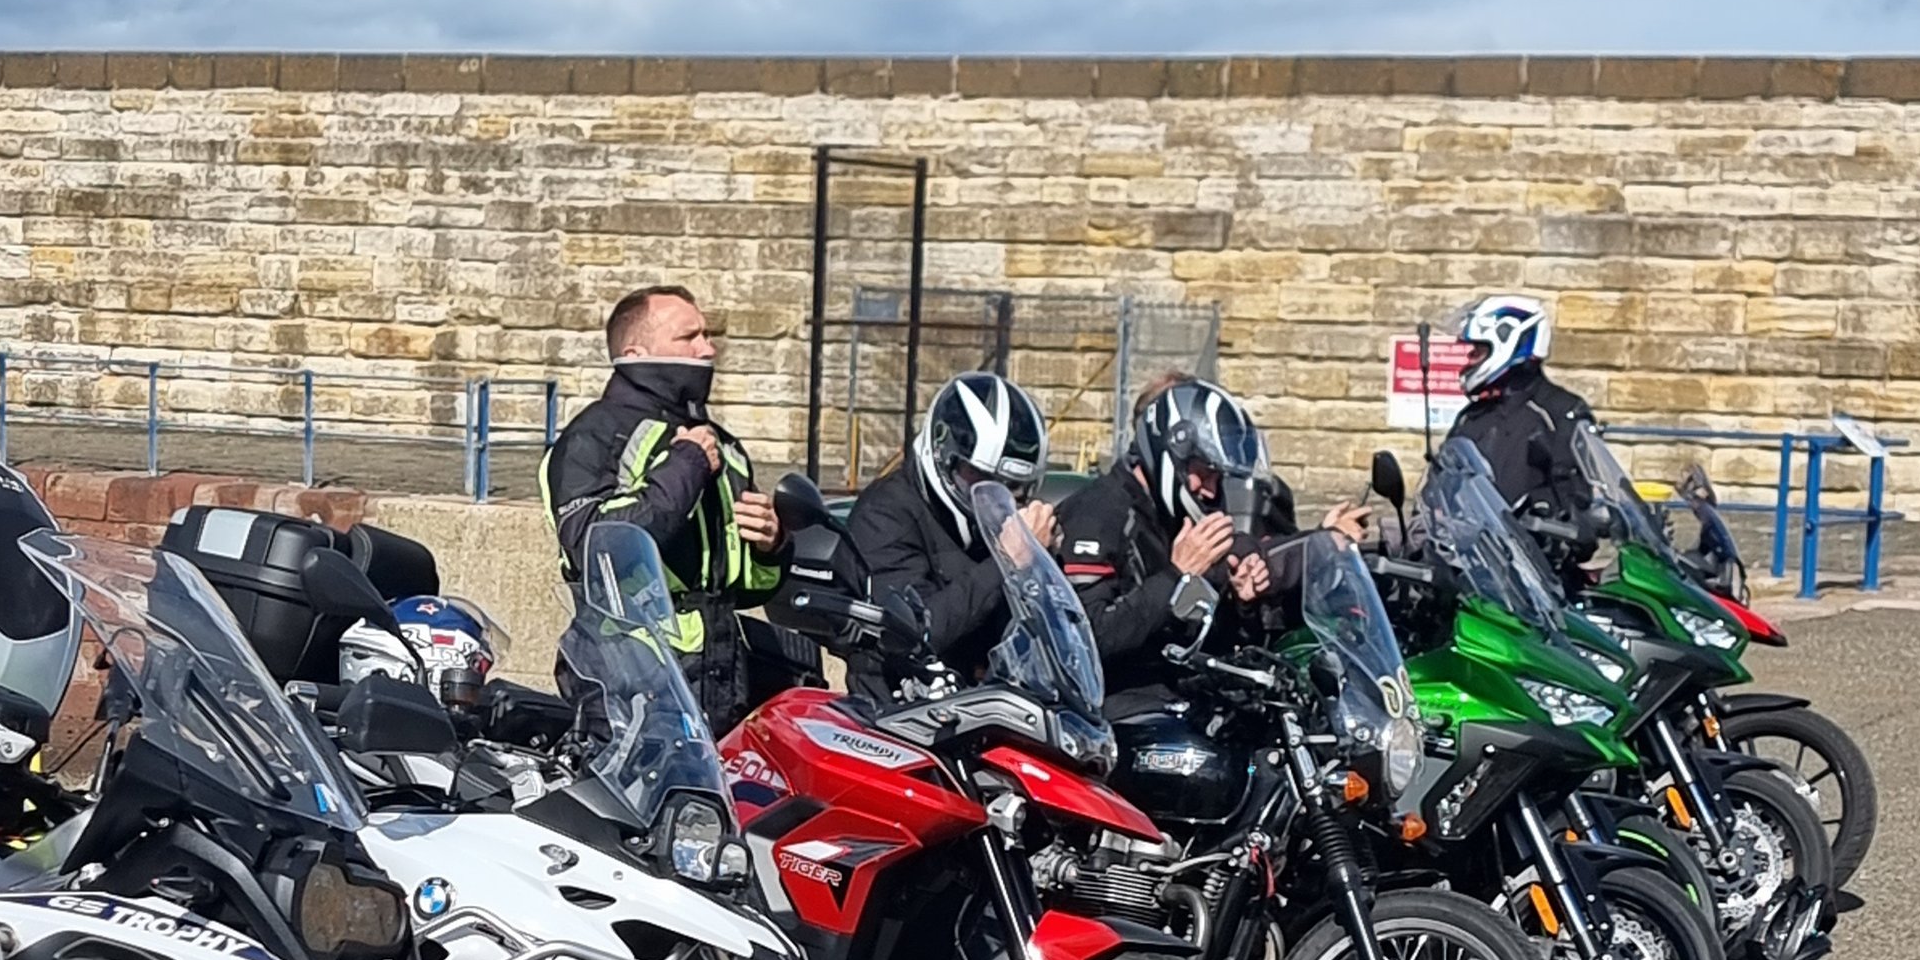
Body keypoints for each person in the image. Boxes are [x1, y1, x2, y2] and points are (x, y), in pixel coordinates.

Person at [542, 284, 785, 728]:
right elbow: (596, 550)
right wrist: (686, 465)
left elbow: (744, 586)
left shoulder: (723, 445)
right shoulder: (595, 436)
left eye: (707, 336)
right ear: (635, 352)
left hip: (719, 676)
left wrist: (772, 546)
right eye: (688, 337)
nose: (707, 349)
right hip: (629, 678)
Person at [1056, 377, 1365, 692]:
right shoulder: (1098, 514)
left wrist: (1243, 600)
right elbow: (1086, 639)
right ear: (1171, 453)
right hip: (1114, 702)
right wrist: (1176, 575)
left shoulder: (1174, 512)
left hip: (1175, 688)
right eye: (1204, 473)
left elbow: (1208, 638)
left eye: (1217, 478)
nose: (1210, 489)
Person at [832, 371, 1055, 697]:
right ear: (942, 453)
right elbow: (916, 631)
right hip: (897, 713)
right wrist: (1007, 560)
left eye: (1011, 487)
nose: (992, 495)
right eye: (977, 476)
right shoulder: (885, 514)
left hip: (982, 705)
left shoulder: (995, 523)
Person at [1445, 293, 1603, 509]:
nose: (1470, 359)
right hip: (1472, 542)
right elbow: (1443, 484)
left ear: (1509, 341)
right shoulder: (1472, 416)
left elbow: (1575, 496)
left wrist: (1543, 511)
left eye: (1479, 350)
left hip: (1535, 542)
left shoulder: (1561, 412)